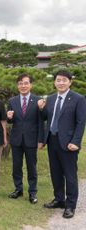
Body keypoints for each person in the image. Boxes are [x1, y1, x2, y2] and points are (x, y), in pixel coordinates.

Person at [38, 70, 86, 218]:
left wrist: (75, 142)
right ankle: (59, 199)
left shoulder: (78, 99)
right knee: (56, 173)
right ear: (55, 82)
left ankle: (70, 205)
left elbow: (80, 122)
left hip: (68, 143)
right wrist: (41, 108)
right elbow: (46, 117)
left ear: (70, 82)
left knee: (70, 174)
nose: (61, 82)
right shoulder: (51, 98)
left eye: (64, 80)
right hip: (52, 140)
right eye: (58, 80)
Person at [7, 73, 44, 204]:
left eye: (26, 83)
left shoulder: (38, 100)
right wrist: (9, 117)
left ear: (30, 85)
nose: (23, 86)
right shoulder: (12, 101)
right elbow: (9, 121)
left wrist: (41, 140)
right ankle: (18, 189)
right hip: (16, 139)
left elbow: (41, 122)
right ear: (18, 86)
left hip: (31, 139)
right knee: (16, 166)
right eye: (20, 83)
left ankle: (32, 192)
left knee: (31, 167)